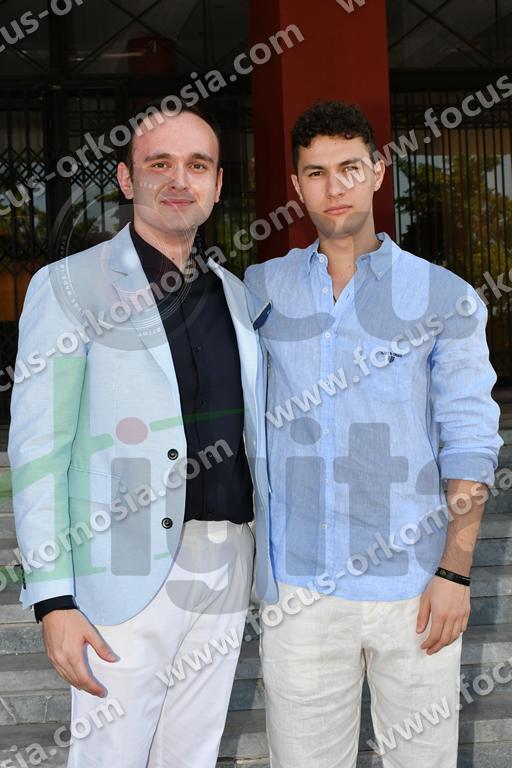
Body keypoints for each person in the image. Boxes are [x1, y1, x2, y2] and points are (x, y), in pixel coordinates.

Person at [8, 102, 276, 768]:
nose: (179, 180)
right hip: (120, 560)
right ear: (128, 179)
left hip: (227, 559)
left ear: (217, 184)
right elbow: (38, 449)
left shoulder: (236, 294)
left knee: (193, 754)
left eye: (198, 165)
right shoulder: (68, 286)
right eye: (160, 164)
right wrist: (53, 599)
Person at [244, 99, 502, 768]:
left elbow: (470, 440)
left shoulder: (444, 296)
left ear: (378, 172)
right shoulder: (261, 290)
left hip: (414, 587)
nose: (335, 187)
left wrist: (455, 571)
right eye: (317, 173)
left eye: (350, 168)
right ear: (297, 185)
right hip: (300, 591)